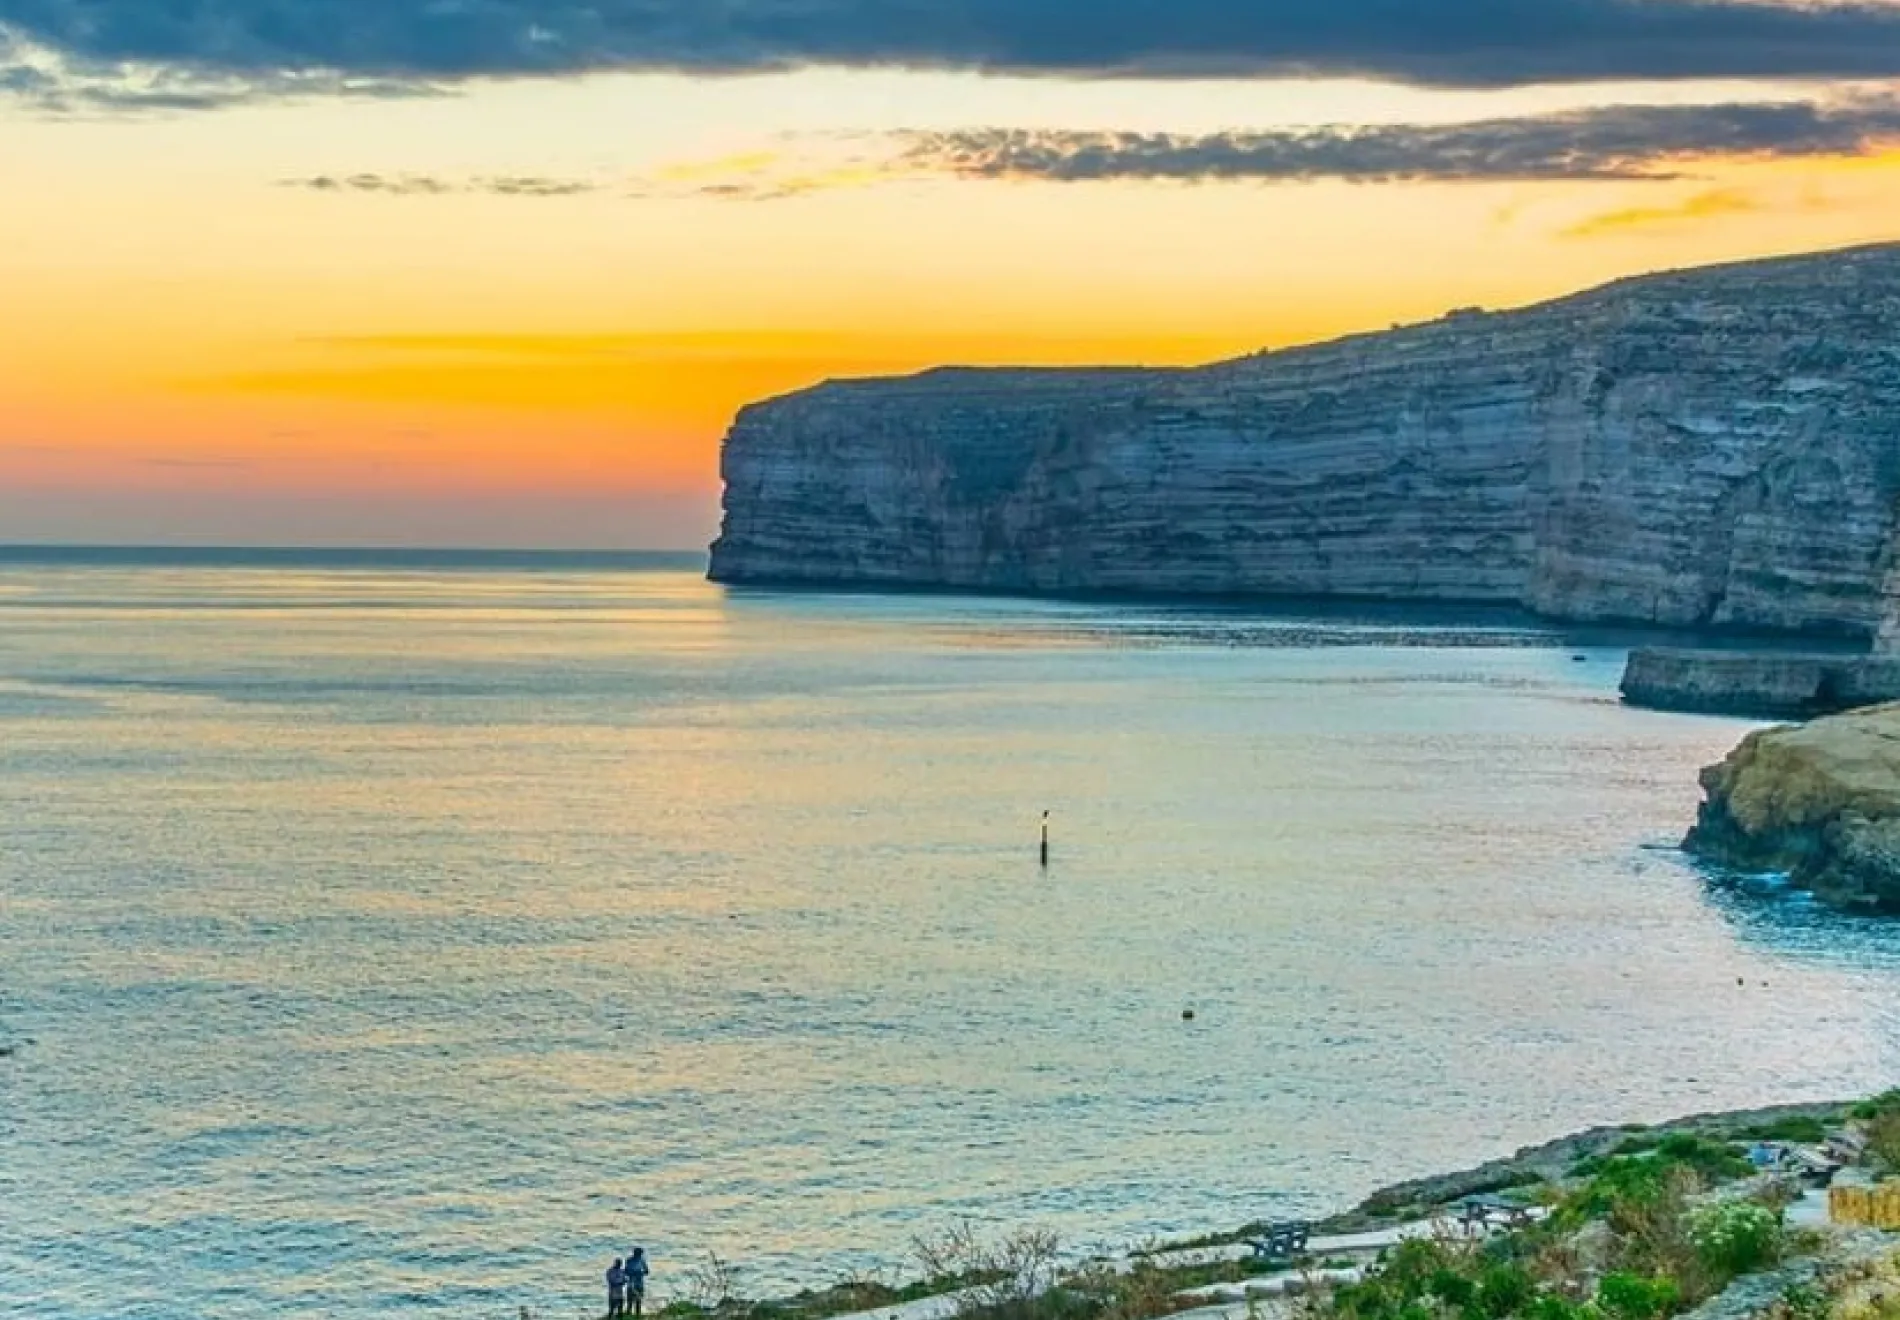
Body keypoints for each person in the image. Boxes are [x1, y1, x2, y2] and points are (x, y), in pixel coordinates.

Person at [625, 1247, 650, 1319]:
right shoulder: (629, 1260)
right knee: (630, 1301)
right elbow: (626, 1271)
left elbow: (647, 1271)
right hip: (631, 1283)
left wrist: (641, 1273)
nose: (639, 1255)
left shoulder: (642, 1260)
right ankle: (628, 1316)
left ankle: (637, 1316)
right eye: (638, 1254)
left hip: (639, 1283)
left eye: (640, 1254)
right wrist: (633, 1273)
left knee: (638, 1301)